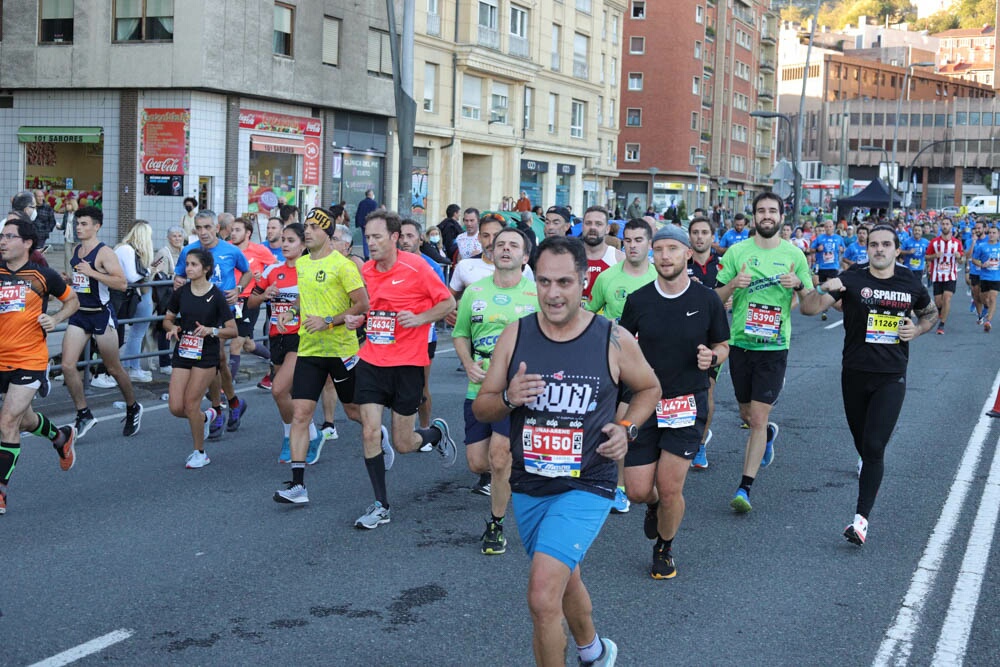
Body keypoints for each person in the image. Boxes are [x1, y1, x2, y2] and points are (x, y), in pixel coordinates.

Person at [471, 235, 660, 667]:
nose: (553, 294)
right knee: (564, 575)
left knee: (541, 595)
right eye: (543, 282)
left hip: (586, 484)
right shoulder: (516, 334)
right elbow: (484, 406)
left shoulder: (611, 338)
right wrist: (510, 398)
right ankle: (594, 651)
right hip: (530, 484)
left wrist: (627, 428)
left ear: (583, 283)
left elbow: (650, 387)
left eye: (564, 283)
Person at [811, 226, 937, 545]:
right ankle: (868, 472)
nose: (879, 249)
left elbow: (930, 313)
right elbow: (809, 308)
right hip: (854, 374)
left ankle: (861, 520)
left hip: (891, 375)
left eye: (885, 245)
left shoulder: (910, 281)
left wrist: (918, 330)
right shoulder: (852, 278)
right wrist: (827, 286)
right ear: (866, 249)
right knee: (863, 444)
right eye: (873, 245)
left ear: (897, 249)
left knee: (874, 447)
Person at [619, 225, 729, 579]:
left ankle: (664, 548)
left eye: (672, 249)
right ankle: (653, 507)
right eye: (659, 249)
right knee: (637, 490)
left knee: (670, 488)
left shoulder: (707, 300)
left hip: (686, 402)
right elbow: (622, 347)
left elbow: (723, 346)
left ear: (687, 254)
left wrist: (711, 359)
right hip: (645, 401)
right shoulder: (638, 300)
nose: (665, 256)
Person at [345, 210, 458, 529]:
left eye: (377, 237)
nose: (371, 243)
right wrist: (358, 320)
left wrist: (421, 319)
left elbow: (447, 303)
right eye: (367, 237)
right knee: (369, 431)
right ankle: (381, 504)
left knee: (404, 443)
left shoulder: (417, 266)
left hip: (407, 363)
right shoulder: (366, 269)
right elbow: (373, 310)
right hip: (371, 360)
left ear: (395, 238)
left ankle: (435, 433)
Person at [714, 192, 826, 513]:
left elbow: (810, 307)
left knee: (759, 418)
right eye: (761, 210)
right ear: (753, 217)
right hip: (740, 344)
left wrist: (800, 286)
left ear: (781, 217)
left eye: (772, 211)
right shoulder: (737, 252)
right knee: (747, 415)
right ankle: (767, 435)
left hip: (774, 347)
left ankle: (744, 488)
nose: (767, 215)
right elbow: (715, 296)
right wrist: (734, 283)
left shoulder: (795, 256)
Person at [271, 209, 370, 504]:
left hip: (341, 350)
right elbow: (306, 294)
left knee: (353, 411)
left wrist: (328, 321)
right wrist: (291, 311)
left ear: (328, 232)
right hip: (310, 349)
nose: (308, 232)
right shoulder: (302, 264)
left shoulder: (343, 265)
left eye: (314, 227)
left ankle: (379, 436)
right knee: (301, 414)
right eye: (307, 227)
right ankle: (298, 486)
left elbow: (362, 303)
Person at [453, 227, 536, 554]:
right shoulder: (475, 292)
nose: (505, 250)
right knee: (478, 463)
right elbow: (460, 334)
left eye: (514, 246)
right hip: (479, 387)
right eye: (500, 244)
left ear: (525, 257)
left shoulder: (535, 294)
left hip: (516, 389)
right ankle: (517, 469)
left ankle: (496, 524)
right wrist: (467, 361)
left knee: (499, 457)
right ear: (490, 251)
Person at [0, 217, 80, 515]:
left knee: (8, 421)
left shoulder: (43, 275)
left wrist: (56, 319)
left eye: (9, 237)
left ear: (27, 242)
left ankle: (1, 492)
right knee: (23, 419)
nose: (3, 242)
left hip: (29, 359)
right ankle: (60, 436)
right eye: (2, 237)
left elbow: (72, 301)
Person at [59, 207, 144, 439]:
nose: (79, 227)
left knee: (114, 368)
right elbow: (81, 281)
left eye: (84, 224)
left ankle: (133, 406)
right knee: (67, 366)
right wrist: (69, 280)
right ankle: (84, 413)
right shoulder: (76, 249)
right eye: (77, 223)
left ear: (96, 226)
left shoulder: (105, 252)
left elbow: (122, 284)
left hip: (101, 314)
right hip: (79, 314)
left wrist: (93, 272)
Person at [173, 210, 252, 440]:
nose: (203, 232)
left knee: (215, 356)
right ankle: (233, 402)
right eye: (199, 228)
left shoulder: (231, 250)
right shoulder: (189, 251)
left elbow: (247, 273)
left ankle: (217, 409)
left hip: (221, 311)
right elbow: (179, 276)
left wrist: (237, 290)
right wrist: (178, 281)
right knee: (219, 361)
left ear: (217, 228)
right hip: (198, 312)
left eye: (208, 227)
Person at [163, 249, 239, 469]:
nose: (188, 268)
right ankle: (206, 417)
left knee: (190, 404)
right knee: (176, 407)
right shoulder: (181, 293)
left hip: (206, 354)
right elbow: (167, 319)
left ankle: (199, 452)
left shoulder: (216, 295)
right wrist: (172, 327)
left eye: (194, 264)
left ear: (206, 268)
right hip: (184, 351)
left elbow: (232, 330)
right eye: (187, 264)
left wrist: (211, 331)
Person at [249, 223, 306, 462]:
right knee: (287, 392)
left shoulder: (309, 270)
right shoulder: (273, 270)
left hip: (301, 337)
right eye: (283, 239)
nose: (284, 244)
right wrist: (265, 295)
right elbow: (251, 302)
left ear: (303, 244)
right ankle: (295, 432)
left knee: (278, 389)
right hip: (276, 336)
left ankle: (302, 432)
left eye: (291, 240)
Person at [399, 219, 447, 436]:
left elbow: (443, 302)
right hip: (395, 335)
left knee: (420, 388)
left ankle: (427, 429)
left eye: (410, 236)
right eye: (401, 236)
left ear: (420, 239)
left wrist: (420, 317)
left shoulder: (431, 266)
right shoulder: (391, 263)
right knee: (394, 386)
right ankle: (402, 429)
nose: (405, 240)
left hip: (423, 336)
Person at [686, 216, 724, 469]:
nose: (699, 237)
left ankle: (698, 444)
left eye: (704, 233)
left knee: (705, 389)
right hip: (679, 333)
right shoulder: (679, 262)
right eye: (695, 233)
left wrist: (726, 299)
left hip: (711, 337)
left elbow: (733, 293)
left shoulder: (722, 266)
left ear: (712, 237)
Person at [228, 216, 276, 390]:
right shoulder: (228, 250)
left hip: (249, 302)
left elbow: (276, 268)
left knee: (236, 344)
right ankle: (276, 360)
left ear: (248, 233)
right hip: (230, 301)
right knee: (248, 345)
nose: (233, 233)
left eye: (237, 230)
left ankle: (226, 389)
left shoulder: (259, 250)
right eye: (232, 230)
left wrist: (261, 279)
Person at [115, 220, 156, 384]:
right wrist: (149, 271)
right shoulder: (126, 249)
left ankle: (131, 366)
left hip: (135, 295)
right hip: (134, 295)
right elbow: (132, 276)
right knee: (137, 333)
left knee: (135, 333)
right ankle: (133, 368)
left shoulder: (126, 249)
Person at [153, 226, 184, 375]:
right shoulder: (163, 253)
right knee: (164, 328)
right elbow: (156, 272)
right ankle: (164, 362)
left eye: (179, 236)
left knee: (181, 327)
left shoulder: (185, 251)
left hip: (183, 296)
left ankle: (179, 358)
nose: (177, 238)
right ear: (168, 238)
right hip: (167, 297)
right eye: (174, 236)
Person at [925, 217, 964, 335]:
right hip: (937, 275)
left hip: (951, 275)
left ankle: (942, 324)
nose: (945, 226)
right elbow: (926, 257)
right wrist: (934, 256)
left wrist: (959, 257)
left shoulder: (957, 243)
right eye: (943, 224)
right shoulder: (934, 242)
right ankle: (941, 311)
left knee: (947, 298)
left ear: (951, 226)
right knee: (938, 302)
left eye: (947, 224)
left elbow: (961, 260)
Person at [580, 206, 624, 305]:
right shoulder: (569, 257)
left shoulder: (619, 259)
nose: (592, 227)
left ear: (607, 229)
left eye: (598, 224)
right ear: (582, 226)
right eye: (588, 223)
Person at [809, 219, 846, 321]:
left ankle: (825, 308)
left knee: (830, 287)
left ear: (833, 227)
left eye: (830, 226)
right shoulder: (820, 238)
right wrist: (817, 249)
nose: (828, 228)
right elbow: (810, 250)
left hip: (833, 266)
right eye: (826, 227)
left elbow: (843, 249)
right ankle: (822, 303)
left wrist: (842, 250)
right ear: (824, 228)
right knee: (818, 285)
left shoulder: (838, 238)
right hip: (821, 266)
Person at [970, 224, 1000, 332]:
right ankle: (986, 308)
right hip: (984, 276)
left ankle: (988, 321)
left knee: (992, 298)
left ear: (998, 234)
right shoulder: (982, 246)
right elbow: (973, 259)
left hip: (996, 277)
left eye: (994, 233)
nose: (991, 235)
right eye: (990, 233)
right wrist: (982, 265)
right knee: (983, 298)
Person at [355, 189, 379, 258]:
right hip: (372, 224)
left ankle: (366, 255)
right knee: (374, 238)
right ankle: (374, 253)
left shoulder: (361, 203)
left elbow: (358, 214)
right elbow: (375, 214)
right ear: (370, 194)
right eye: (372, 193)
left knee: (365, 239)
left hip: (363, 224)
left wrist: (359, 223)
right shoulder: (374, 203)